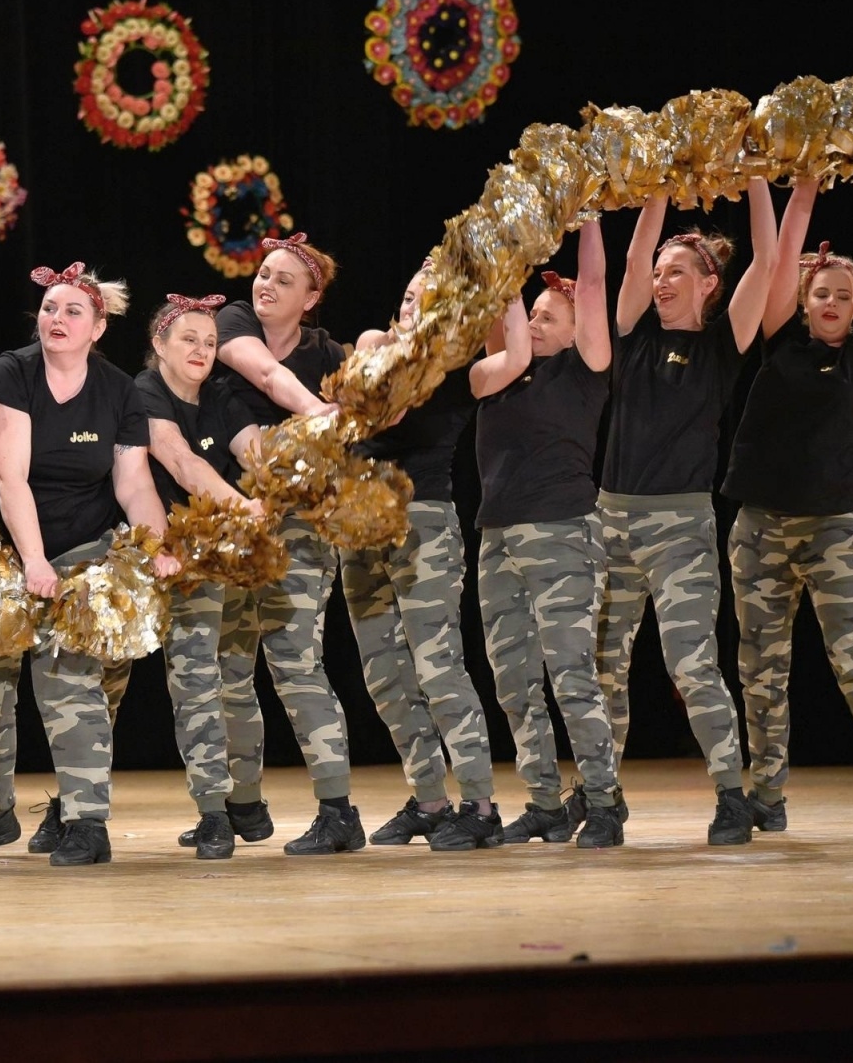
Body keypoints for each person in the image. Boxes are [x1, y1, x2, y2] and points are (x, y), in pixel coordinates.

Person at [722, 167, 853, 840]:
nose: (831, 301)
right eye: (821, 292)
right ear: (804, 300)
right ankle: (766, 795)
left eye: (844, 295)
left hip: (835, 529)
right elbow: (780, 258)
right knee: (760, 669)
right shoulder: (779, 336)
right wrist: (803, 189)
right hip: (759, 526)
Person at [0, 261, 180, 867]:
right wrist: (34, 561)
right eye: (49, 308)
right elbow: (9, 477)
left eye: (72, 311)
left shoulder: (119, 390)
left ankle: (86, 821)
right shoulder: (12, 372)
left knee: (71, 675)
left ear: (98, 327)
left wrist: (155, 546)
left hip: (85, 545)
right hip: (11, 543)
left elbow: (134, 483)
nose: (56, 319)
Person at [593, 180, 776, 845]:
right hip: (610, 524)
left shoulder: (721, 347)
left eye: (676, 272)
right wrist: (655, 190)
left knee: (692, 664)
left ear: (708, 284)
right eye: (659, 272)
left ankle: (731, 796)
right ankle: (601, 799)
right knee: (601, 667)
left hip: (681, 531)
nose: (662, 280)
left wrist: (757, 178)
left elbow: (769, 260)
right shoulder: (632, 333)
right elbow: (633, 256)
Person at [469, 225, 624, 848]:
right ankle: (543, 802)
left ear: (578, 329)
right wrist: (500, 247)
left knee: (571, 675)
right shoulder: (499, 371)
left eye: (548, 316)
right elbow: (498, 312)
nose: (534, 322)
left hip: (562, 531)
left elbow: (595, 282)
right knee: (513, 682)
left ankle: (605, 801)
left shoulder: (586, 370)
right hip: (497, 536)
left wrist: (588, 219)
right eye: (530, 312)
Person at [339, 259, 501, 850]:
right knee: (384, 673)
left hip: (424, 522)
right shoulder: (373, 345)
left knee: (438, 667)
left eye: (426, 297)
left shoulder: (459, 368)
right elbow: (369, 396)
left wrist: (498, 282)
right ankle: (430, 801)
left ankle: (481, 805)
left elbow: (514, 358)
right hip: (362, 525)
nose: (412, 304)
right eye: (409, 294)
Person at [213, 231, 365, 856]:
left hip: (301, 526)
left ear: (311, 298)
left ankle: (338, 811)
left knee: (296, 661)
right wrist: (317, 413)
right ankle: (244, 806)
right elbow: (266, 377)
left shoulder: (329, 354)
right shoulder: (232, 324)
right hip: (232, 520)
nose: (266, 285)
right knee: (227, 666)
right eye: (263, 274)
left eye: (283, 279)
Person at [131, 292, 264, 859]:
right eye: (189, 339)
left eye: (210, 342)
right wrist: (244, 505)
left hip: (225, 552)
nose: (202, 350)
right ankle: (214, 810)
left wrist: (287, 482)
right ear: (159, 344)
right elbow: (182, 462)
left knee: (231, 676)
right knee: (191, 678)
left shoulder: (221, 394)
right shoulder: (145, 392)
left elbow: (257, 452)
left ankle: (240, 807)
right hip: (169, 551)